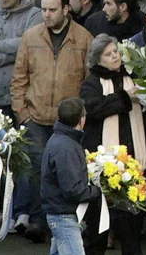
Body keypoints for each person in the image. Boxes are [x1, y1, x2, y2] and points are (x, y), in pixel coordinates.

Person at [10, 0, 93, 242]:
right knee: (37, 170)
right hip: (34, 117)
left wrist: (80, 116)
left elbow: (88, 81)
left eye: (52, 9)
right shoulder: (30, 36)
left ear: (66, 10)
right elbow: (19, 79)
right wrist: (22, 114)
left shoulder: (84, 38)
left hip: (67, 120)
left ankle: (69, 223)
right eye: (44, 9)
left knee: (69, 173)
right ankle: (37, 222)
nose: (46, 14)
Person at [79, 34, 146, 255]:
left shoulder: (132, 76)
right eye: (108, 54)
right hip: (103, 163)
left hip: (133, 160)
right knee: (97, 230)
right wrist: (126, 98)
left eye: (116, 52)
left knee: (130, 231)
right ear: (98, 59)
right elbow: (93, 108)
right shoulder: (91, 82)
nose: (115, 57)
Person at [41, 97, 101, 255]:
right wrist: (99, 191)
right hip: (63, 217)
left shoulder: (61, 141)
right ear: (82, 119)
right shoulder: (66, 147)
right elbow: (73, 190)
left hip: (59, 215)